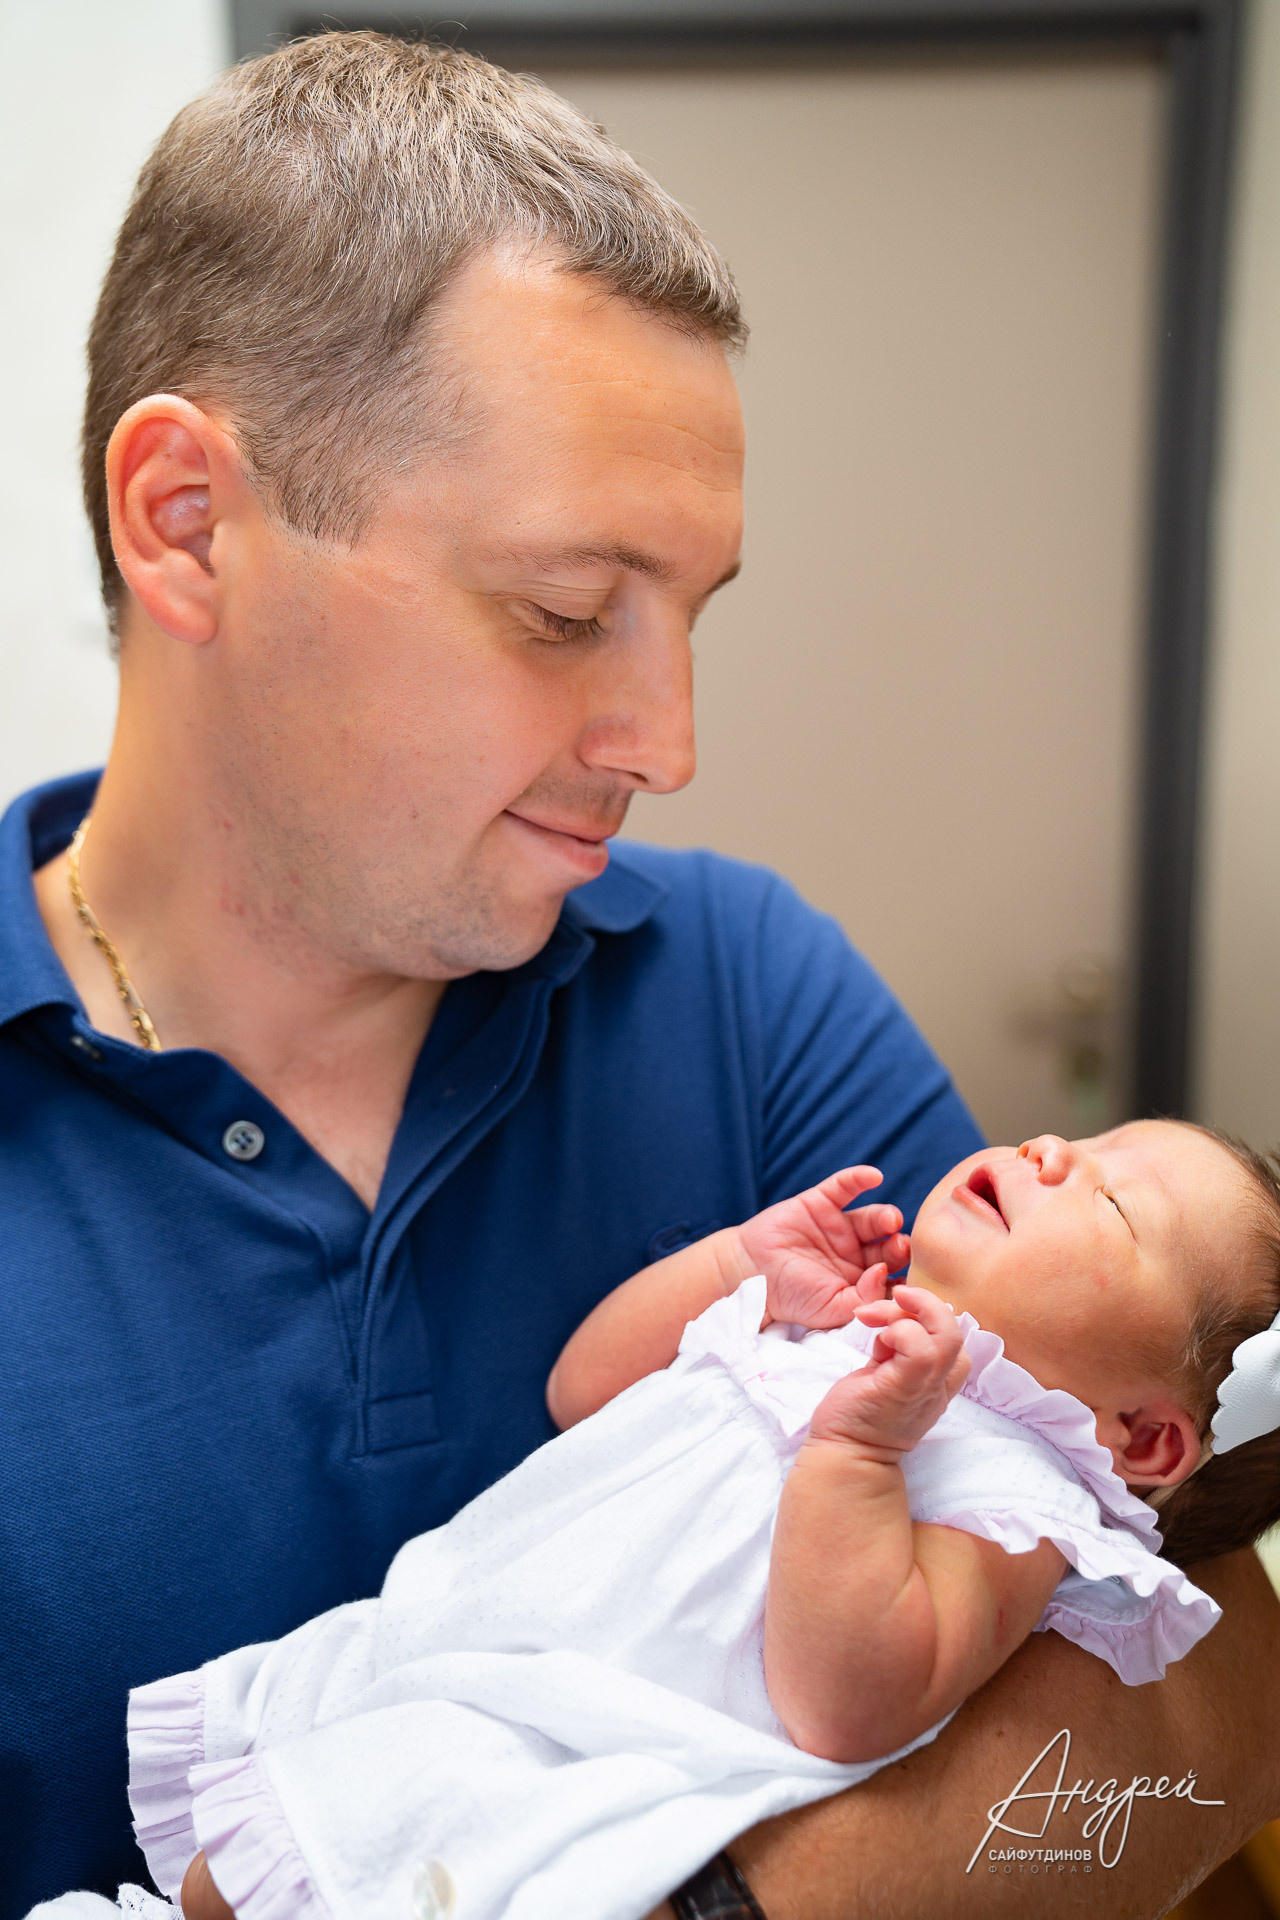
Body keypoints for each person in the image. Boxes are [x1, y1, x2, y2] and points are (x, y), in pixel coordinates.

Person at [3, 28, 1278, 1920]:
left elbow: (1205, 1697)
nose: (669, 739)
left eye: (692, 616)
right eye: (564, 612)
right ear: (191, 523)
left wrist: (667, 1902)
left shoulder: (751, 993)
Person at [85, 1122, 1273, 1920]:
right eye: (1088, 1140)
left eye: (1115, 1202)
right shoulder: (848, 1321)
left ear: (1144, 1439)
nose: (1054, 1150)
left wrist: (857, 1452)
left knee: (264, 1878)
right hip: (449, 1651)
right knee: (229, 1862)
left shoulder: (1022, 1497)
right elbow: (581, 1393)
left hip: (570, 1745)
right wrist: (734, 1269)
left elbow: (851, 1700)